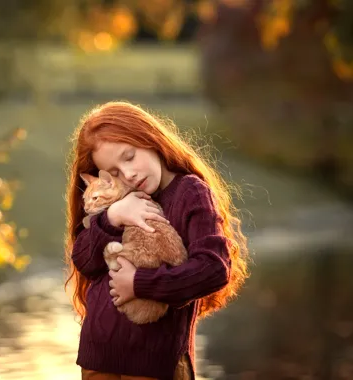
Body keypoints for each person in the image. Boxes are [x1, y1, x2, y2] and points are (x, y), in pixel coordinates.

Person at [64, 101, 250, 380]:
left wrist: (138, 283)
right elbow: (84, 260)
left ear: (150, 139)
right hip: (98, 357)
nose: (127, 174)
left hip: (155, 363)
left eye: (129, 157)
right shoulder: (114, 203)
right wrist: (113, 216)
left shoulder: (190, 193)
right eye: (113, 172)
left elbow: (214, 269)